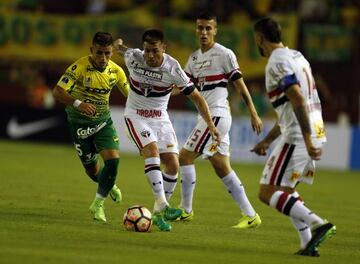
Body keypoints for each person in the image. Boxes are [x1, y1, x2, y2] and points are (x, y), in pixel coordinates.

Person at [113, 29, 221, 232]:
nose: (150, 56)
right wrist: (118, 44)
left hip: (160, 119)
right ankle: (163, 204)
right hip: (136, 116)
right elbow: (123, 50)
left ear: (163, 47)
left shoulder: (173, 68)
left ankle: (158, 214)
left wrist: (212, 126)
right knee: (152, 152)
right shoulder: (134, 57)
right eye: (147, 51)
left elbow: (197, 97)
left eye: (155, 50)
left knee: (173, 164)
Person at [251, 17, 336, 256]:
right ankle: (307, 243)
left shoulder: (276, 63)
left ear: (260, 38)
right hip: (313, 127)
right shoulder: (297, 56)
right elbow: (291, 107)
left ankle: (319, 224)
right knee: (286, 190)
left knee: (266, 192)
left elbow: (298, 99)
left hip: (299, 134)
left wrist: (307, 140)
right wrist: (268, 140)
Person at [177, 12, 263, 229]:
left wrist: (253, 112)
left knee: (185, 157)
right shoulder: (194, 58)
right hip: (209, 116)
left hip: (216, 115)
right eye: (200, 28)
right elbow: (182, 87)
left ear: (215, 30)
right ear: (196, 30)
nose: (204, 32)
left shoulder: (224, 54)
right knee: (222, 166)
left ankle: (186, 210)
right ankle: (251, 215)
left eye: (208, 28)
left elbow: (240, 86)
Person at [53, 32, 129, 222]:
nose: (103, 58)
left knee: (113, 162)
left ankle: (98, 205)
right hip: (79, 125)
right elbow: (58, 91)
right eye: (99, 53)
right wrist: (79, 104)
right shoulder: (79, 67)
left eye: (108, 53)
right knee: (93, 172)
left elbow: (131, 94)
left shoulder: (116, 71)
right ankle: (109, 185)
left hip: (103, 122)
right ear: (91, 50)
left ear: (112, 52)